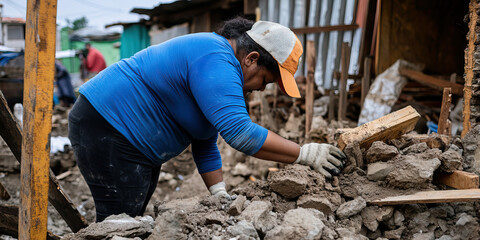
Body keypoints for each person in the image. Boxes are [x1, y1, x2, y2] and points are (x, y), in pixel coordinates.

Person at [68, 17, 346, 222]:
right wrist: (304, 154)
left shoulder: (218, 68)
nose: (262, 88)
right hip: (108, 126)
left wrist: (219, 192)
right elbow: (240, 134)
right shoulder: (216, 57)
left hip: (126, 139)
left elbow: (205, 140)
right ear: (251, 58)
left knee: (129, 219)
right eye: (266, 80)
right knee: (118, 223)